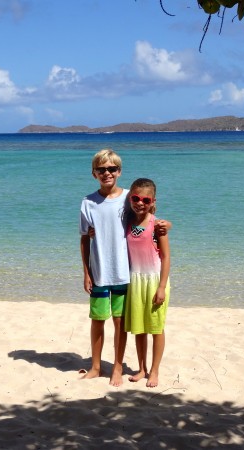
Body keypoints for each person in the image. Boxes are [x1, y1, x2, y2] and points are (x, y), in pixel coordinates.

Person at [79, 149, 169, 386]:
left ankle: (117, 367)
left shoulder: (131, 197)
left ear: (119, 171)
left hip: (124, 272)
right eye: (101, 169)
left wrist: (166, 225)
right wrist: (86, 272)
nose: (106, 173)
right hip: (99, 271)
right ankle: (96, 366)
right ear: (94, 173)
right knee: (97, 320)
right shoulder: (88, 202)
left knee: (120, 321)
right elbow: (84, 238)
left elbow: (150, 214)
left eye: (111, 169)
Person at [124, 178, 171, 388]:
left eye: (145, 199)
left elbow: (166, 257)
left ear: (152, 201)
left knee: (156, 328)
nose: (139, 203)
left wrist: (161, 287)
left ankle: (154, 370)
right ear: (130, 198)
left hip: (154, 281)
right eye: (135, 198)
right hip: (135, 280)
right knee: (139, 328)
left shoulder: (157, 226)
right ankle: (141, 368)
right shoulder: (127, 222)